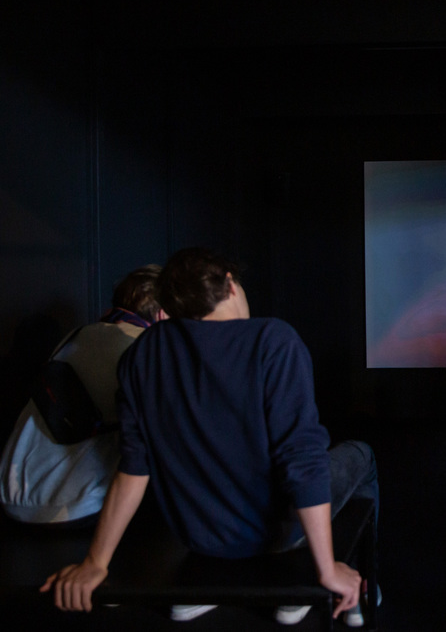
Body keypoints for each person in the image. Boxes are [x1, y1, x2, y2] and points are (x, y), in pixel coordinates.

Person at [41, 248, 379, 627]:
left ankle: (222, 584)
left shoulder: (144, 353)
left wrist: (95, 562)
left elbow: (134, 467)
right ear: (231, 284)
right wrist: (324, 569)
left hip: (201, 539)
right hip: (273, 535)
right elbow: (302, 460)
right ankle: (354, 587)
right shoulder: (273, 339)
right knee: (362, 455)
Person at [0, 265, 166, 526]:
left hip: (11, 497)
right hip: (72, 507)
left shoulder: (74, 336)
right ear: (162, 313)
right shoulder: (146, 348)